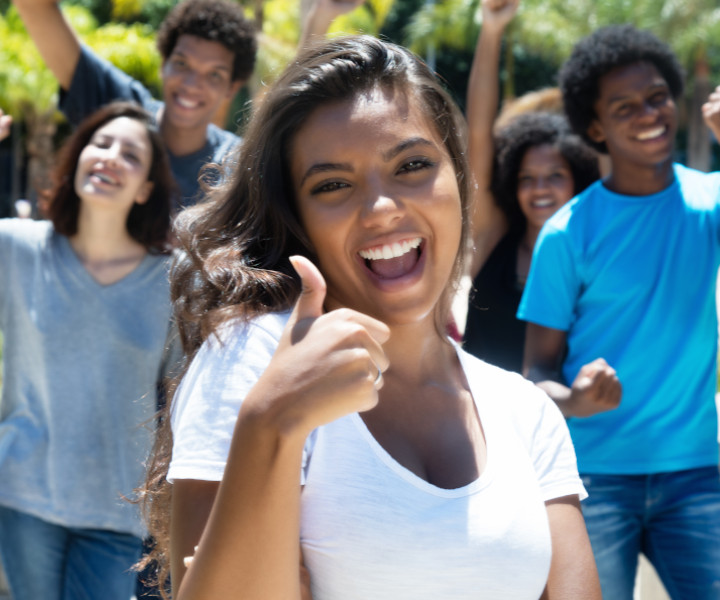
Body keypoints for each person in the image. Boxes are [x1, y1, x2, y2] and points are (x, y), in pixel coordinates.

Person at [137, 34, 599, 600]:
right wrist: (271, 422)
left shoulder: (525, 410)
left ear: (460, 178)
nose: (381, 209)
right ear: (297, 216)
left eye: (412, 165)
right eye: (332, 184)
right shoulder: (256, 359)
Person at [517, 24, 720, 600]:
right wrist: (577, 400)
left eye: (657, 96)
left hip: (698, 474)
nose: (648, 113)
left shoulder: (710, 203)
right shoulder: (567, 234)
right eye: (624, 106)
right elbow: (536, 374)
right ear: (595, 126)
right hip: (593, 478)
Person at [0, 101, 178, 600]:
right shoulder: (15, 248)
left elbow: (183, 401)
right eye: (100, 144)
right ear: (78, 158)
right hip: (22, 496)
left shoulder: (171, 280)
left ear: (145, 189)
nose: (110, 157)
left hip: (118, 513)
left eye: (130, 154)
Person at [12, 0, 257, 208]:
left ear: (232, 88)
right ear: (163, 64)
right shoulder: (121, 112)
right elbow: (35, 7)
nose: (192, 84)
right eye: (182, 64)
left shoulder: (239, 168)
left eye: (214, 74)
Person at [462, 0, 598, 372]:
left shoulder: (595, 249)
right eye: (527, 178)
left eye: (555, 175)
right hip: (481, 422)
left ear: (578, 181)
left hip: (561, 424)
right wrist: (491, 31)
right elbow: (478, 131)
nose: (540, 188)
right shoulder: (494, 236)